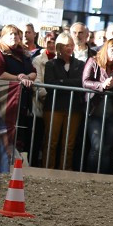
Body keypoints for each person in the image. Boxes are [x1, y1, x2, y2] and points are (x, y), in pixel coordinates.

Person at [81, 37, 113, 172]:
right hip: (95, 111)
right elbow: (85, 81)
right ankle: (90, 175)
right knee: (96, 146)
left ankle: (102, 177)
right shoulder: (93, 61)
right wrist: (101, 85)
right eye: (112, 50)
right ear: (106, 49)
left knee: (107, 148)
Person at [42, 32, 84, 170]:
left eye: (71, 45)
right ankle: (48, 169)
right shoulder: (51, 64)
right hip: (54, 106)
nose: (69, 48)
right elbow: (50, 85)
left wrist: (61, 82)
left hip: (74, 107)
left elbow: (81, 83)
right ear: (60, 46)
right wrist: (68, 83)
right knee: (51, 142)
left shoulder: (80, 64)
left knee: (69, 143)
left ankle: (65, 171)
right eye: (66, 45)